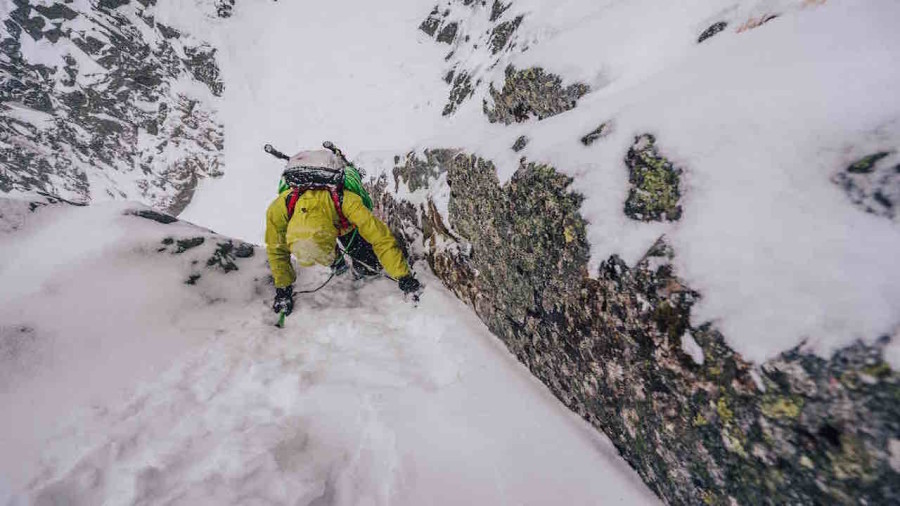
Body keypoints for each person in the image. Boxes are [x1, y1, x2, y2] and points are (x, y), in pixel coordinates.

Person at [265, 149, 421, 316]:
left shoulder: (347, 202)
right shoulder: (280, 207)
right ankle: (336, 261)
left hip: (345, 225)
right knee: (318, 245)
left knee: (370, 267)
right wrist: (283, 289)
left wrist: (404, 276)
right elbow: (276, 248)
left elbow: (380, 238)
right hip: (329, 225)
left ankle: (337, 259)